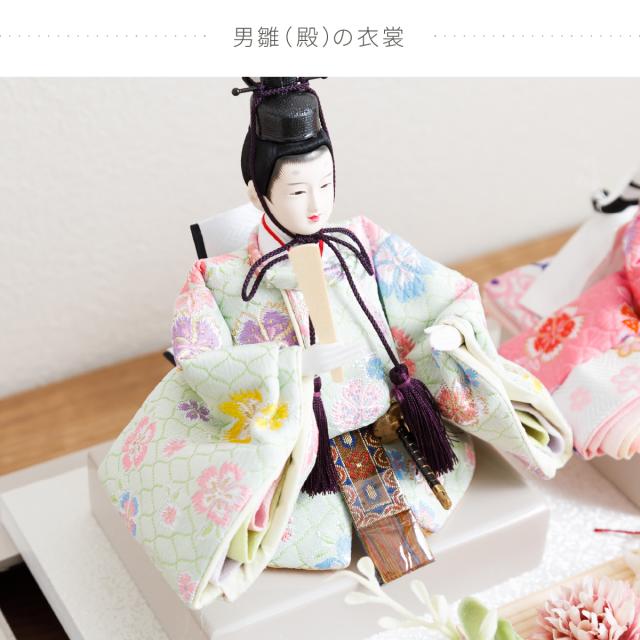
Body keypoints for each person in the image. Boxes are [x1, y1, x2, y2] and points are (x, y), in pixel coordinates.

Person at [99, 77, 572, 609]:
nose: (316, 204)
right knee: (301, 529)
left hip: (392, 430)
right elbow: (200, 359)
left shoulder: (361, 242)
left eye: (325, 184)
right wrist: (290, 365)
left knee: (425, 513)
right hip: (305, 456)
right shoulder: (221, 279)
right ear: (257, 194)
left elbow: (435, 289)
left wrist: (450, 328)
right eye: (298, 191)